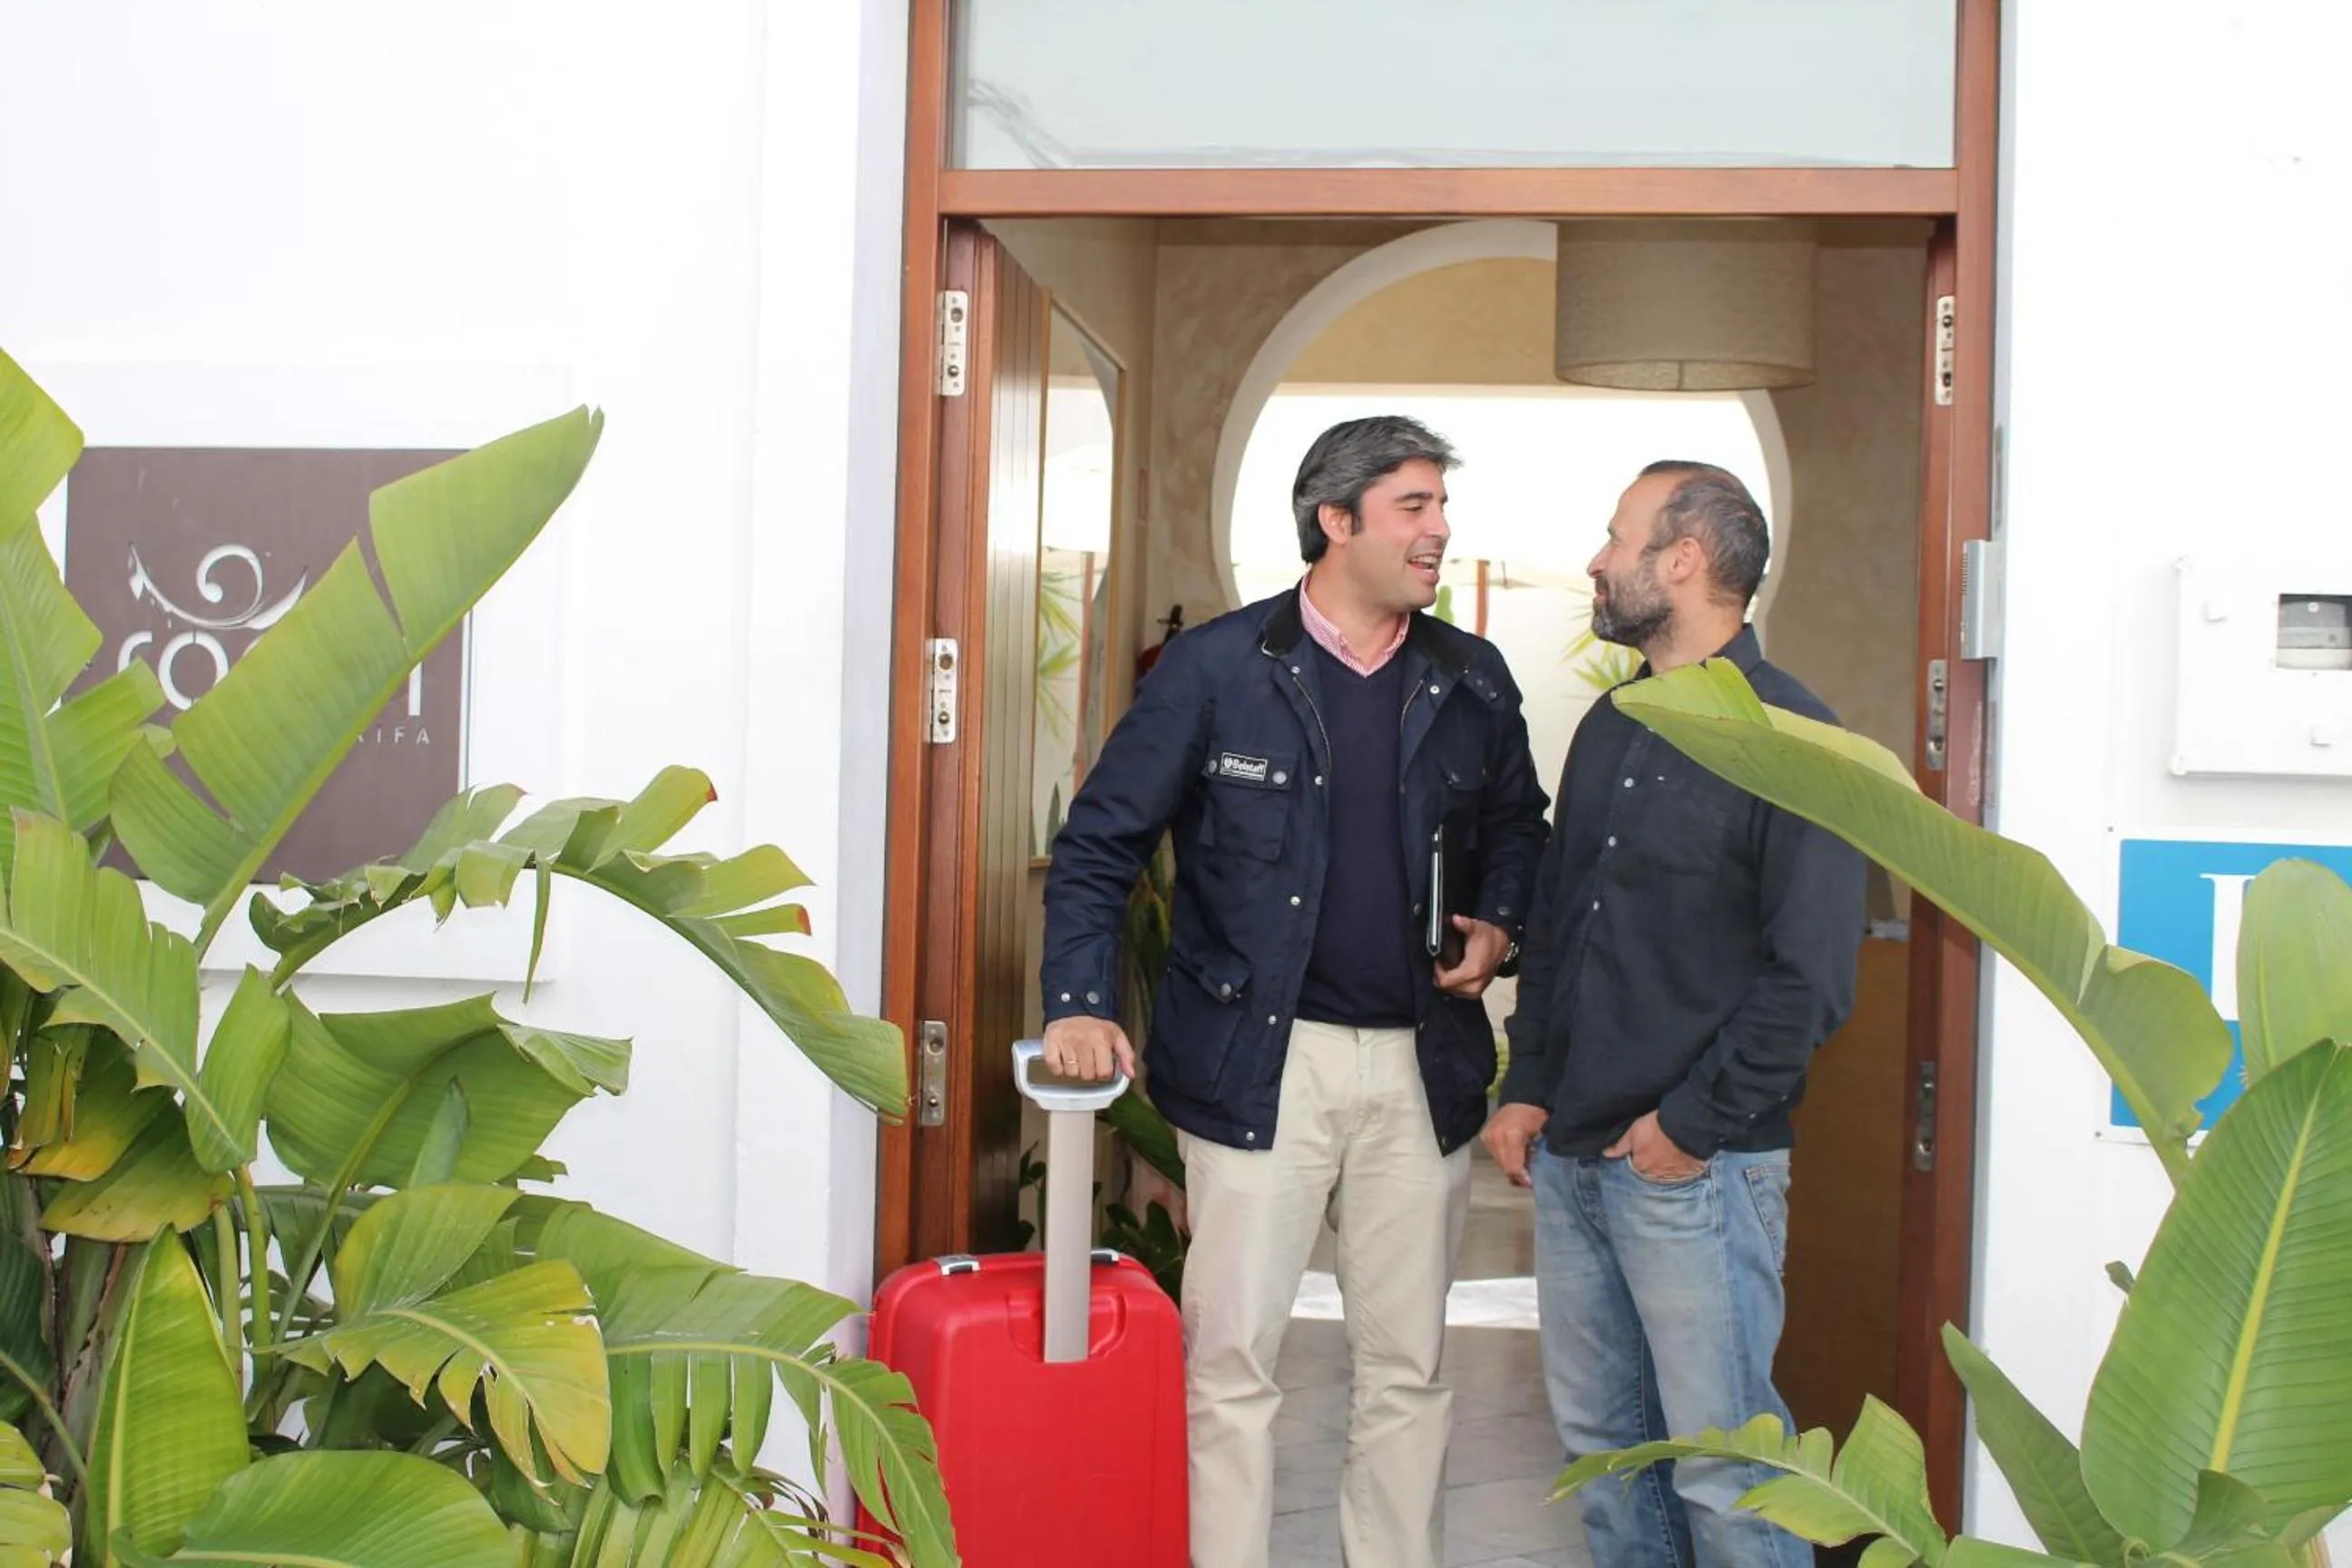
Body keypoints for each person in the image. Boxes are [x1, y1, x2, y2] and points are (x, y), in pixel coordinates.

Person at [1040, 416, 1550, 1568]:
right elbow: (1100, 847)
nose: (1439, 531)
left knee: (1408, 1368)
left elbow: (1521, 825)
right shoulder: (1218, 672)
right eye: (1414, 507)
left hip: (1424, 1065)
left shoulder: (1472, 678)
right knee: (1232, 1370)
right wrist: (1078, 998)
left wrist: (1502, 923)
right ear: (1337, 520)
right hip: (1259, 1064)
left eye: (1439, 506)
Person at [1483, 462, 1867, 1568]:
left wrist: (1691, 1126)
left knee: (1728, 1472)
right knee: (1607, 1457)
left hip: (1698, 1171)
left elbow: (1811, 976)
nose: (1600, 563)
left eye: (1617, 539)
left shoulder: (1796, 736)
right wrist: (1530, 1088)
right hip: (1574, 1160)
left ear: (1685, 560)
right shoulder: (1612, 723)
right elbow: (1561, 924)